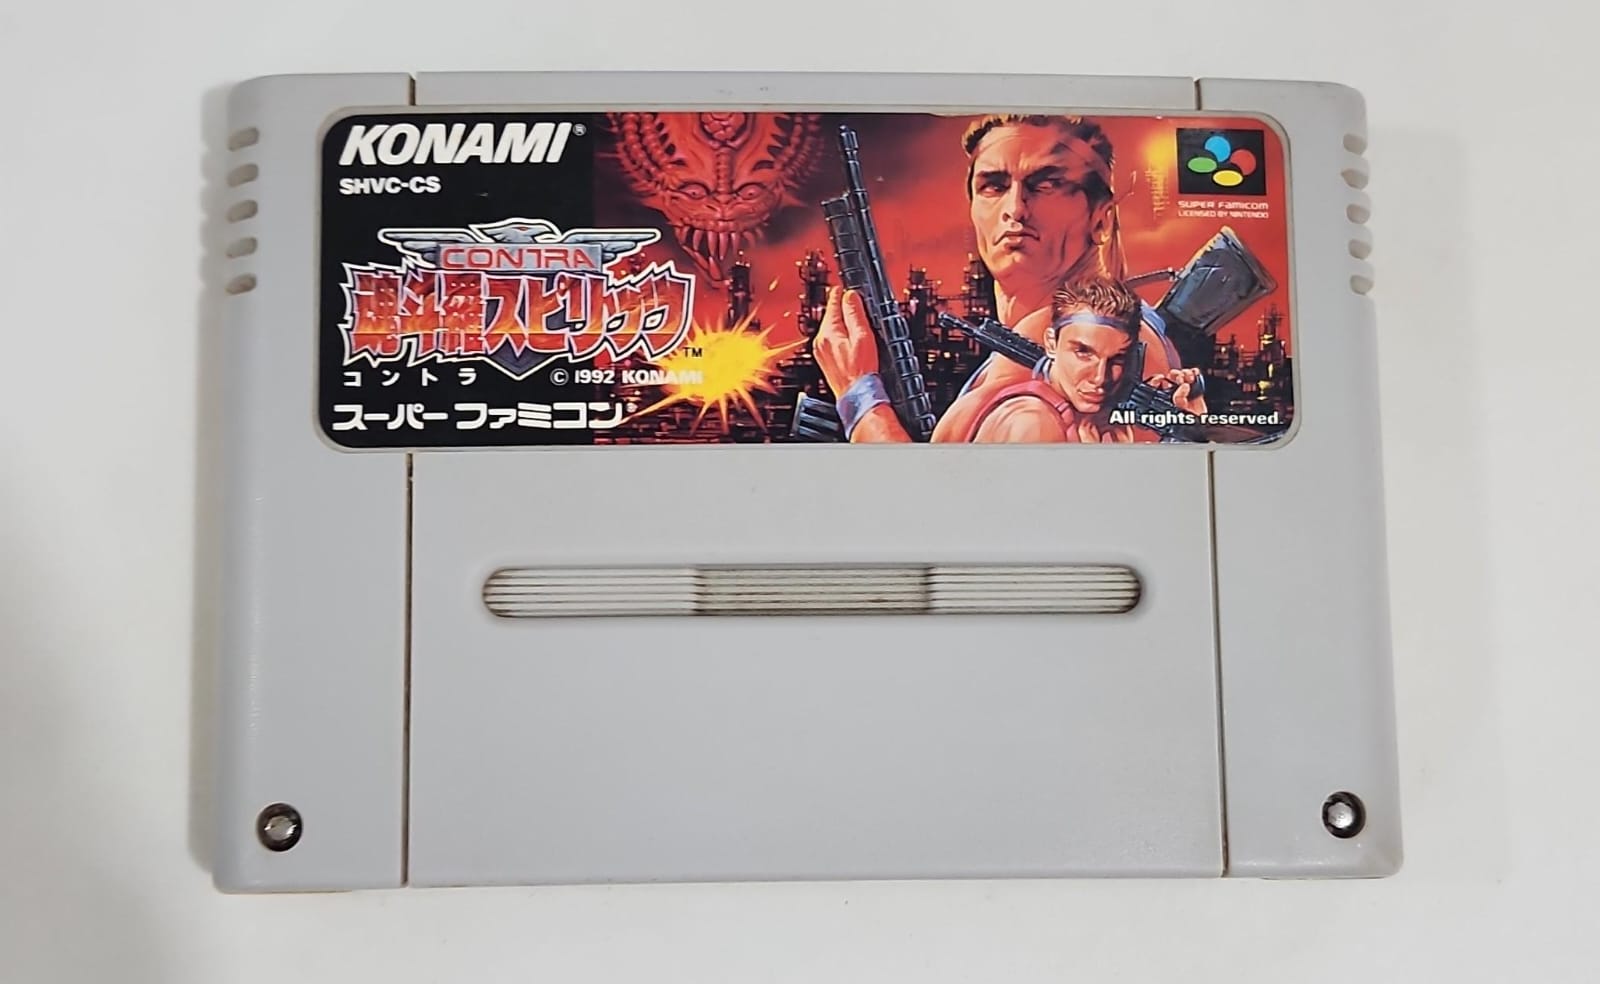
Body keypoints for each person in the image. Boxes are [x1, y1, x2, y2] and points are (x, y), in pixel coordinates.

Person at [815, 113, 1180, 442]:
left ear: (1101, 219)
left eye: (1046, 185)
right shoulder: (1035, 342)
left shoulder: (1106, 342)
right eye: (994, 186)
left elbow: (930, 493)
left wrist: (860, 396)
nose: (1015, 209)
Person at [941, 277, 1205, 443]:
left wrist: (1189, 427)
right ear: (1051, 344)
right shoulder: (1033, 421)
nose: (1100, 378)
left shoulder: (1095, 422)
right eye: (1083, 353)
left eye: (1116, 359)